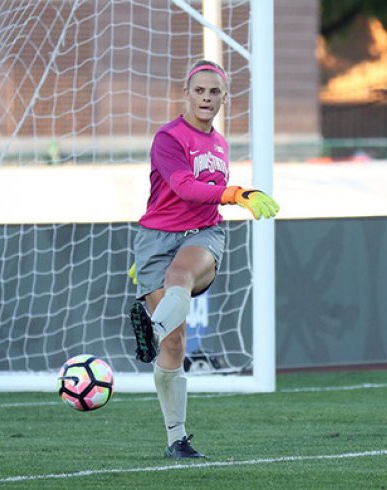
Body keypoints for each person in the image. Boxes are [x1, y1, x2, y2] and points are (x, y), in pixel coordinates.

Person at [128, 59, 280, 459]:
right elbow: (183, 188)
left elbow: (201, 202)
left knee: (181, 274)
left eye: (215, 92)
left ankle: (149, 325)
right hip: (155, 240)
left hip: (203, 235)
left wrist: (230, 196)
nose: (207, 98)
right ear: (187, 93)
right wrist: (237, 193)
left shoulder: (220, 143)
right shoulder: (168, 137)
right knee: (174, 345)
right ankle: (176, 438)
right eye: (200, 91)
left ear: (224, 98)